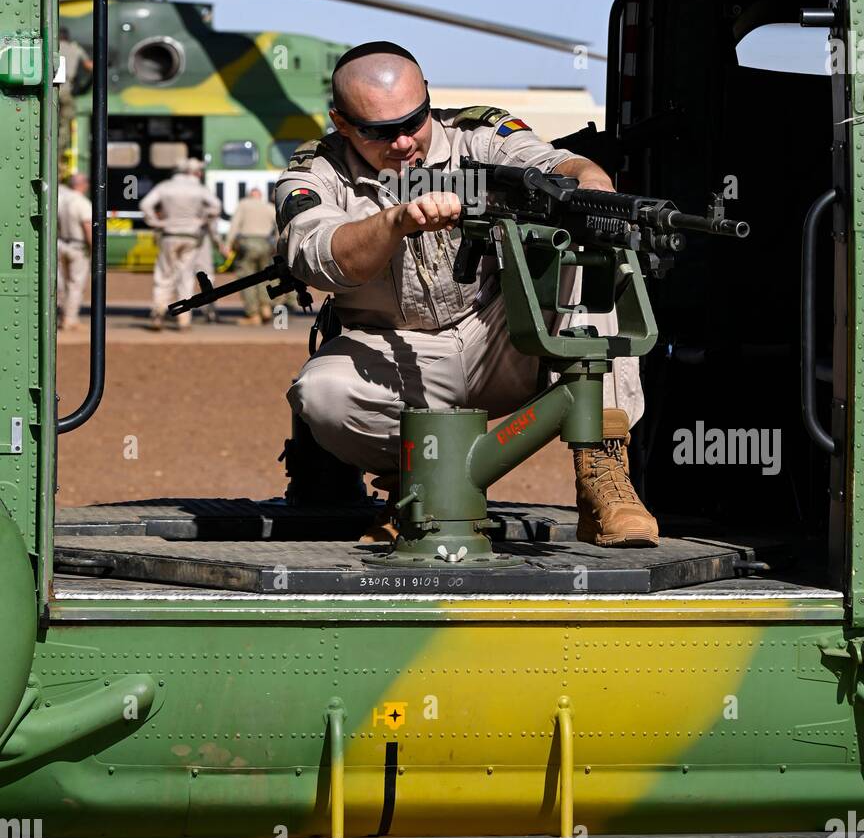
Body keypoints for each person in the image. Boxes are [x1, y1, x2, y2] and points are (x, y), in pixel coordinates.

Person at [275, 41, 658, 547]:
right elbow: (320, 257)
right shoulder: (313, 172)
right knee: (320, 393)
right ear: (342, 123)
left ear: (428, 98)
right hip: (395, 354)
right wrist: (394, 222)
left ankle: (603, 474)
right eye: (380, 132)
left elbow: (554, 164)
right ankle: (420, 486)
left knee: (591, 265)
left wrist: (594, 187)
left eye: (414, 121)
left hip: (501, 338)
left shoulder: (480, 135)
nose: (404, 143)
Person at [139, 157, 221, 331]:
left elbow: (145, 204)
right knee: (185, 276)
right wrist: (201, 220)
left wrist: (156, 222)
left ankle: (158, 312)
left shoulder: (165, 186)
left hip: (169, 234)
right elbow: (216, 206)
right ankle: (184, 319)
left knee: (164, 274)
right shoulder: (199, 189)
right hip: (191, 236)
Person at [225, 187, 277, 324]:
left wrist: (228, 244)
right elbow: (279, 225)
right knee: (265, 277)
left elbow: (234, 225)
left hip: (247, 244)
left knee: (247, 279)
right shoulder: (268, 207)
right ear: (260, 196)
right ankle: (265, 307)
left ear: (250, 196)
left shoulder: (243, 205)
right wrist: (278, 244)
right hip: (265, 244)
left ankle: (253, 314)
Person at [57, 172, 92, 332]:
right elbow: (87, 227)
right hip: (78, 247)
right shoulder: (82, 202)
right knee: (75, 285)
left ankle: (60, 315)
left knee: (62, 283)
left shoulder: (61, 200)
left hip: (61, 243)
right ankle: (69, 319)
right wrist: (94, 248)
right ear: (82, 184)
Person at [57, 27, 92, 168]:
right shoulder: (75, 48)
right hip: (66, 90)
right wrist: (83, 86)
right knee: (64, 126)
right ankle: (58, 155)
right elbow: (90, 66)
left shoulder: (51, 45)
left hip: (49, 89)